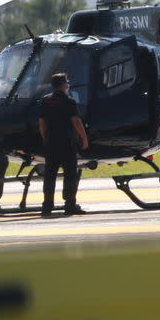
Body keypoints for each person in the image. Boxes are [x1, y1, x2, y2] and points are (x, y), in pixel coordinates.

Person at [39, 72, 89, 217]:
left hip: (51, 144)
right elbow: (76, 122)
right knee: (70, 175)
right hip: (67, 143)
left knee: (50, 175)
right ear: (64, 85)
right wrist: (84, 139)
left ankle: (47, 206)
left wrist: (45, 139)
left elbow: (41, 123)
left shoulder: (45, 101)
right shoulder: (69, 101)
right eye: (67, 82)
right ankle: (70, 205)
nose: (68, 84)